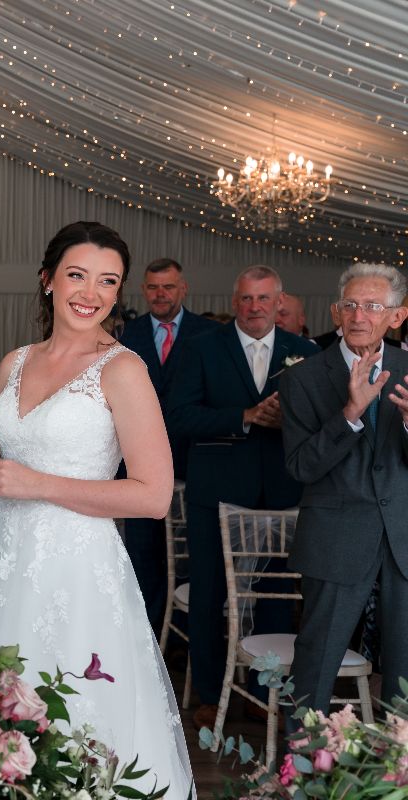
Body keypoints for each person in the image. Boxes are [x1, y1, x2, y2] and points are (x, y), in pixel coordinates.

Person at [0, 221, 192, 799]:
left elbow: (153, 495)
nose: (91, 293)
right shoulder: (14, 363)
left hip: (76, 571)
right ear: (47, 279)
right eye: (77, 275)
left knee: (71, 717)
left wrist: (38, 484)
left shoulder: (123, 369)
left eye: (108, 281)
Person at [167, 265, 319, 730]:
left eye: (264, 298)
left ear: (279, 303)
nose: (255, 307)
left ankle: (262, 692)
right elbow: (179, 416)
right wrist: (245, 416)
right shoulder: (201, 347)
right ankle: (211, 694)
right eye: (246, 299)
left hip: (281, 493)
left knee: (275, 599)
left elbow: (321, 421)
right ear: (235, 302)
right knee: (211, 595)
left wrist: (289, 421)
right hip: (215, 492)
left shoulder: (305, 352)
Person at [282, 263, 408, 710]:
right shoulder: (303, 378)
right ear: (336, 312)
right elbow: (300, 466)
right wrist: (350, 415)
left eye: (372, 306)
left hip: (403, 538)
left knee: (405, 672)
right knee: (316, 664)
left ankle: (398, 755)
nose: (359, 316)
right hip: (336, 538)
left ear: (397, 315)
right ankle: (301, 755)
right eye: (350, 305)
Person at [117, 257, 219, 632]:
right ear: (144, 291)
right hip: (137, 466)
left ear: (183, 289)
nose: (161, 294)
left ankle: (183, 639)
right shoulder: (125, 335)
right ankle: (148, 638)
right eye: (153, 287)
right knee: (143, 556)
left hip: (195, 464)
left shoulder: (211, 334)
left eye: (169, 287)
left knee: (193, 557)